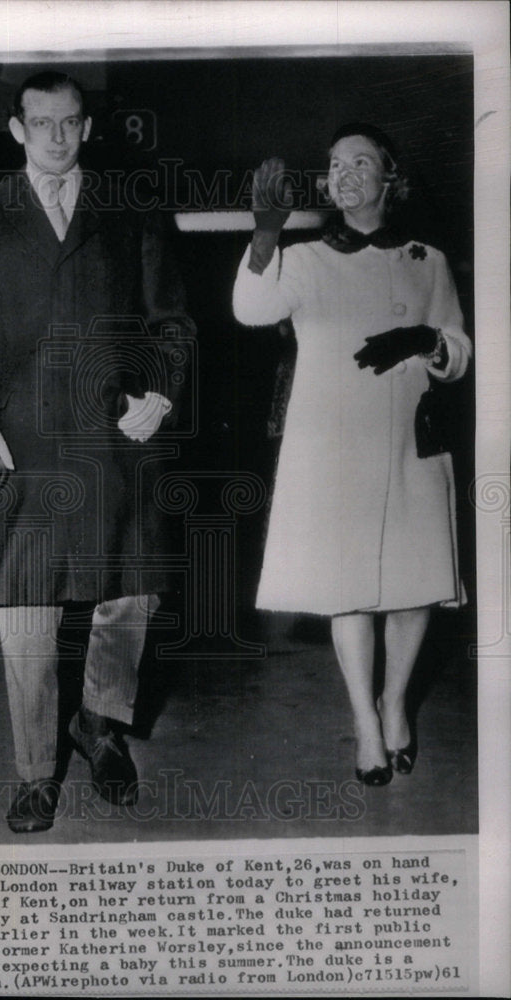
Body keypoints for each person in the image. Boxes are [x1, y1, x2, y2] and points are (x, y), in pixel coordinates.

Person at [0, 71, 195, 831]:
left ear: (86, 128)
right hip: (20, 446)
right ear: (16, 129)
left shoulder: (132, 210)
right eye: (41, 123)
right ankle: (35, 769)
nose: (56, 137)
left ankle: (101, 727)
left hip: (117, 440)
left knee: (127, 598)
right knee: (27, 610)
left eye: (70, 123)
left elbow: (171, 321)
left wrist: (161, 392)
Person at [232, 123, 471, 785]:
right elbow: (251, 308)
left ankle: (396, 701)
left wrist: (428, 339)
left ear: (390, 179)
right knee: (349, 592)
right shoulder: (307, 259)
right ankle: (366, 721)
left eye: (361, 162)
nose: (344, 174)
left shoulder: (429, 260)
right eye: (335, 164)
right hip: (333, 449)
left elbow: (458, 352)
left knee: (415, 584)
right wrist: (266, 232)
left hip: (408, 445)